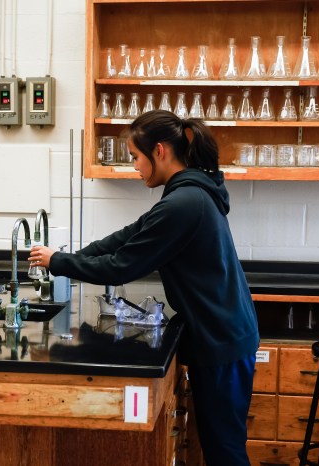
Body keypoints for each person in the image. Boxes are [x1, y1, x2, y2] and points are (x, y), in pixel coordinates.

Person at [28, 109, 259, 466]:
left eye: (136, 156)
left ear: (160, 152)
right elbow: (129, 235)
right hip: (223, 332)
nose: (134, 166)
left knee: (225, 451)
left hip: (221, 338)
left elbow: (123, 266)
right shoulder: (187, 192)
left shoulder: (184, 202)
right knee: (219, 446)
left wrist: (58, 262)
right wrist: (67, 256)